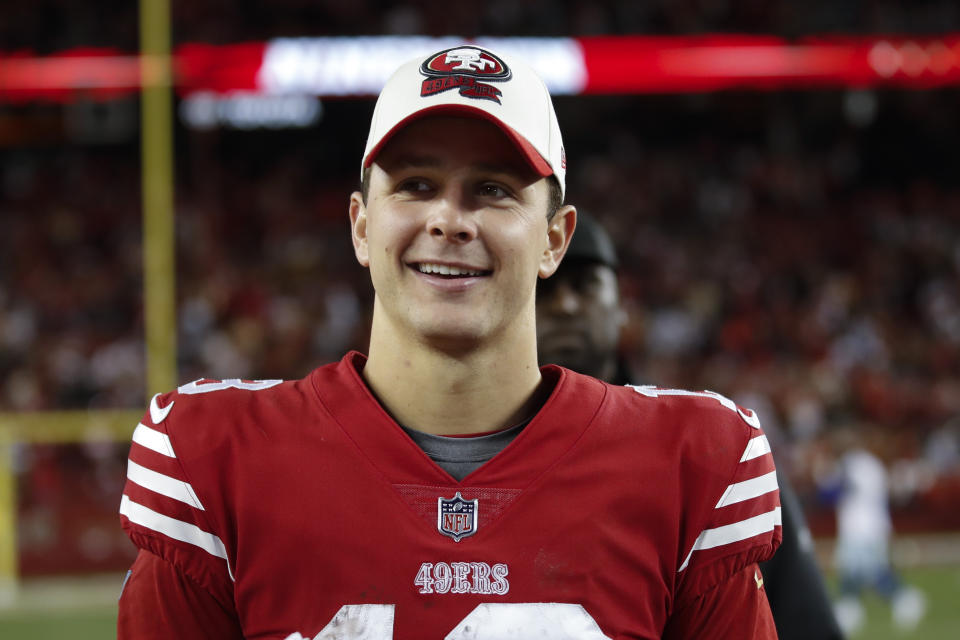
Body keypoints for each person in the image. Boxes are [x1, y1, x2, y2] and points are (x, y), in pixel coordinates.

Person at [117, 45, 781, 639]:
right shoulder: (217, 465)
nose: (449, 220)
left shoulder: (689, 465)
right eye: (416, 186)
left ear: (555, 238)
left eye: (492, 190)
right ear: (360, 224)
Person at [537, 211, 844, 640]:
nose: (565, 305)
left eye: (585, 284)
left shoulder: (713, 455)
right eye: (544, 288)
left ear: (623, 309)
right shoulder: (467, 453)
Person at [822, 427, 926, 635]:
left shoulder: (854, 464)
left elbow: (831, 494)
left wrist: (824, 477)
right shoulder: (870, 464)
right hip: (868, 526)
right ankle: (850, 609)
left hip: (862, 528)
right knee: (852, 570)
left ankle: (904, 598)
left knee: (870, 571)